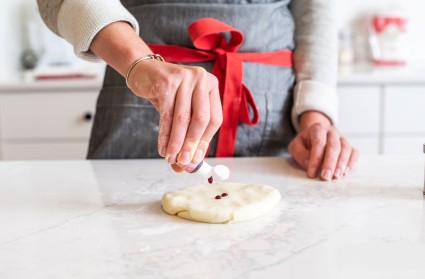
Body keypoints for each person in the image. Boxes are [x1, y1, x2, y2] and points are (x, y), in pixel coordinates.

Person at [37, 0, 357, 181]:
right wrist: (139, 63)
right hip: (136, 90)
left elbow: (315, 11)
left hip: (274, 109)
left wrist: (315, 115)